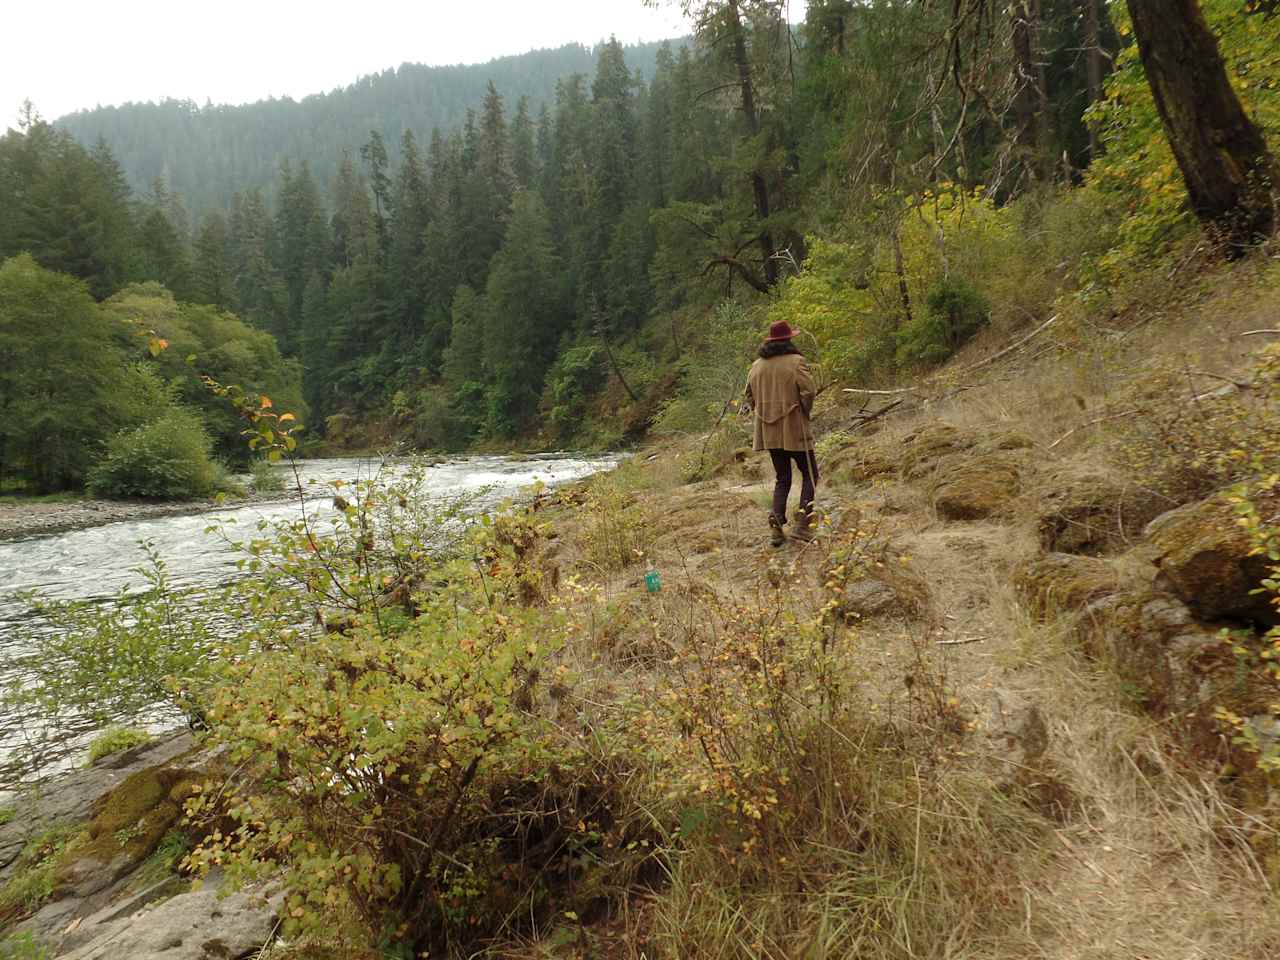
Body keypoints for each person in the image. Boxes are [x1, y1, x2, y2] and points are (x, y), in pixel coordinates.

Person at [745, 320, 818, 546]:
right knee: (811, 474)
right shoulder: (797, 362)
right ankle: (803, 524)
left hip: (769, 431)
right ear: (788, 340)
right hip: (794, 427)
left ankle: (776, 524)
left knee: (783, 478)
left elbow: (749, 397)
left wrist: (764, 413)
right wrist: (803, 412)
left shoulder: (756, 366)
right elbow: (809, 391)